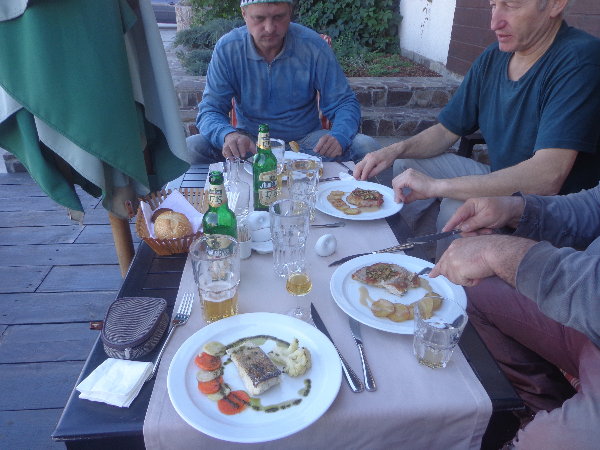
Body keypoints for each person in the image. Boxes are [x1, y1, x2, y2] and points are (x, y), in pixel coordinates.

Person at [354, 0, 600, 259]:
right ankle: (414, 251)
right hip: (502, 176)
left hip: (548, 213)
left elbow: (547, 177)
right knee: (407, 164)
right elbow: (446, 132)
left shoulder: (580, 60)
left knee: (456, 208)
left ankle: (445, 277)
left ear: (555, 4)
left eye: (511, 5)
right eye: (493, 5)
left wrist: (438, 186)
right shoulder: (494, 57)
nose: (495, 23)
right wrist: (394, 150)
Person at [428, 186, 600, 449]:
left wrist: (506, 255)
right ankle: (538, 408)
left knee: (546, 440)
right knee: (474, 292)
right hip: (583, 307)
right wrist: (517, 209)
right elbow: (593, 206)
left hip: (589, 298)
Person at [186, 0, 380, 164]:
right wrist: (227, 135)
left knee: (366, 146)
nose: (270, 28)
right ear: (244, 14)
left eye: (279, 17)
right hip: (250, 144)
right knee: (191, 147)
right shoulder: (228, 48)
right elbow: (210, 109)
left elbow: (344, 102)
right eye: (259, 18)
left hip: (307, 144)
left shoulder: (313, 46)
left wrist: (339, 136)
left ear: (290, 13)